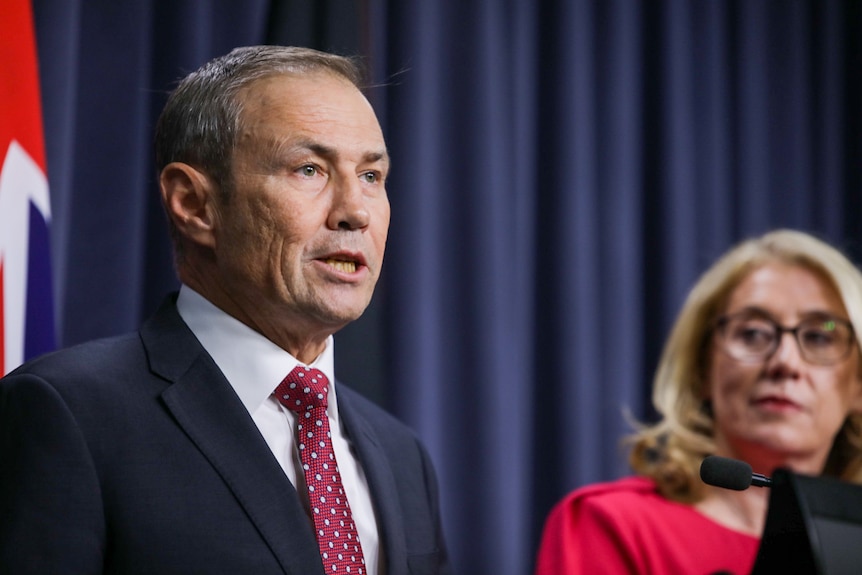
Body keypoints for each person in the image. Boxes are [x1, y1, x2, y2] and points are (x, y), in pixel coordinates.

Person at [0, 45, 449, 575]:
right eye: (309, 169)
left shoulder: (402, 456)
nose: (355, 211)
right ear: (194, 204)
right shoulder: (67, 413)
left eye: (372, 176)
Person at [535, 229, 862, 575]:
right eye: (752, 333)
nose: (785, 362)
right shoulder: (615, 525)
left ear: (858, 386)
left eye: (819, 336)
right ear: (702, 370)